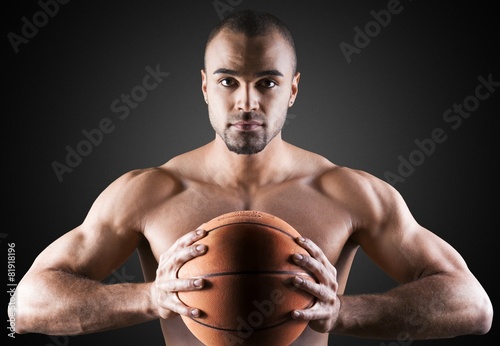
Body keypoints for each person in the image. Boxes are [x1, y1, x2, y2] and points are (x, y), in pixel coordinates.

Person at [10, 9, 493, 346]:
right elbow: (24, 307)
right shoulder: (148, 192)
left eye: (267, 81)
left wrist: (344, 312)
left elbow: (473, 305)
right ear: (204, 86)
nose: (247, 102)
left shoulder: (347, 192)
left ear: (294, 89)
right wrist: (149, 298)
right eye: (228, 81)